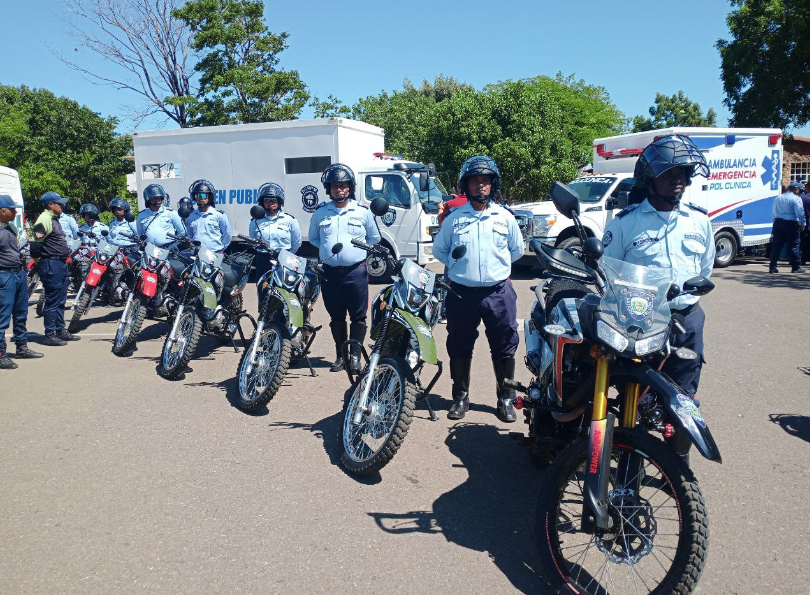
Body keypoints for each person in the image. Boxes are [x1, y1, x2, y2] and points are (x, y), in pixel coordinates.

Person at [601, 134, 714, 462]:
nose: (678, 180)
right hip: (640, 319)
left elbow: (705, 268)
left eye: (682, 173)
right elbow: (609, 273)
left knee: (684, 398)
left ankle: (677, 468)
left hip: (687, 320)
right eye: (669, 173)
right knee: (635, 395)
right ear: (649, 179)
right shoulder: (625, 224)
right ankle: (630, 465)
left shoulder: (700, 222)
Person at [433, 155, 524, 422]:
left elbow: (516, 251)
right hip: (461, 293)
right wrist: (461, 267)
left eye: (485, 181)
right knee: (459, 346)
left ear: (492, 185)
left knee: (505, 346)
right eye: (475, 182)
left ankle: (505, 398)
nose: (480, 186)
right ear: (466, 186)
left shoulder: (505, 217)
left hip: (498, 292)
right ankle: (460, 397)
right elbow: (440, 250)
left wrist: (495, 269)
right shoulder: (454, 218)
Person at [308, 163, 380, 373]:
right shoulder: (321, 213)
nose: (339, 190)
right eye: (335, 186)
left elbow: (373, 237)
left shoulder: (362, 212)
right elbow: (314, 238)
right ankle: (341, 357)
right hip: (330, 273)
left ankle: (355, 357)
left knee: (358, 316)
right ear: (328, 189)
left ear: (350, 187)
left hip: (356, 271)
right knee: (336, 316)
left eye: (343, 186)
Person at [30, 192, 81, 346]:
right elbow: (35, 245)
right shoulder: (44, 220)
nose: (62, 206)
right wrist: (42, 263)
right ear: (50, 204)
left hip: (60, 263)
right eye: (59, 203)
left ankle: (60, 330)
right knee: (52, 300)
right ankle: (49, 333)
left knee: (60, 299)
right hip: (51, 263)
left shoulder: (54, 219)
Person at [0, 194, 44, 369]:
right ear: (2, 211)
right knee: (3, 317)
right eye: (11, 209)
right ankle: (1, 354)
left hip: (18, 274)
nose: (14, 211)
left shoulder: (11, 228)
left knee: (20, 313)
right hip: (4, 276)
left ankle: (21, 346)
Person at [249, 182, 302, 279]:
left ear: (279, 201)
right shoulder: (255, 221)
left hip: (284, 257)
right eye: (267, 200)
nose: (270, 203)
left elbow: (297, 242)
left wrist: (288, 255)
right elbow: (253, 240)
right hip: (263, 259)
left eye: (273, 200)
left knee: (285, 289)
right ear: (262, 202)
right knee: (263, 289)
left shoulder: (290, 220)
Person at [185, 179, 232, 252]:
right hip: (197, 254)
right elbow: (190, 235)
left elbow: (227, 235)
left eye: (203, 195)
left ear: (209, 197)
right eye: (197, 196)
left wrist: (220, 249)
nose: (200, 198)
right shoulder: (191, 216)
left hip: (215, 254)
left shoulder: (219, 215)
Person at [769, 181, 805, 274]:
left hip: (778, 223)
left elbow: (774, 211)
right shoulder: (796, 199)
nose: (800, 192)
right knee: (793, 246)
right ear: (796, 189)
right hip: (791, 224)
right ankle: (796, 267)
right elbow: (800, 212)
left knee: (776, 246)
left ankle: (772, 267)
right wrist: (803, 224)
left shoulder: (778, 198)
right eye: (799, 190)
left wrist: (775, 222)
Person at [798, 180, 810, 266]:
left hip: (801, 222)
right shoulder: (807, 198)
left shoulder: (801, 198)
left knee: (800, 241)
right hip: (807, 221)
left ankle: (800, 259)